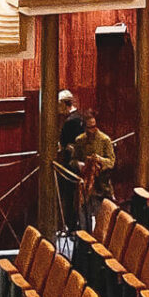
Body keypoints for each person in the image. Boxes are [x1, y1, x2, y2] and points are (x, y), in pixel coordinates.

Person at [73, 105, 115, 227]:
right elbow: (73, 160)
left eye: (94, 127)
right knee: (83, 220)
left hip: (100, 186)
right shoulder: (79, 140)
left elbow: (111, 161)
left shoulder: (104, 139)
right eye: (89, 128)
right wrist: (80, 165)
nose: (92, 130)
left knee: (100, 221)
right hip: (84, 187)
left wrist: (99, 161)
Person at [56, 90, 85, 232]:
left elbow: (65, 145)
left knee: (69, 196)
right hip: (78, 162)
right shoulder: (80, 117)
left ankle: (72, 226)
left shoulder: (70, 122)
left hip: (71, 164)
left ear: (63, 103)